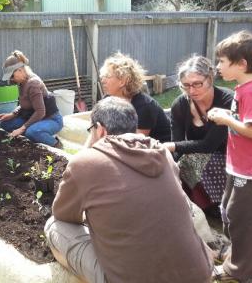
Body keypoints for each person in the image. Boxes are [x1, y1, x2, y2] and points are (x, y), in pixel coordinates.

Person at [45, 96, 213, 283]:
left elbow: (63, 215)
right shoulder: (162, 153)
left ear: (100, 129)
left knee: (53, 226)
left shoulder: (86, 163)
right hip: (199, 273)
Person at [208, 30, 252, 282]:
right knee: (228, 212)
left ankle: (239, 271)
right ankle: (239, 258)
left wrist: (226, 119)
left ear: (242, 64)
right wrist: (228, 115)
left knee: (240, 218)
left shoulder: (250, 91)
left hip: (249, 173)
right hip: (237, 168)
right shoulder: (243, 88)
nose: (218, 66)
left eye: (222, 61)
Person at [162, 55, 233, 214]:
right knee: (177, 163)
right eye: (186, 85)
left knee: (192, 160)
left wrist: (172, 146)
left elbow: (210, 145)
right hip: (199, 157)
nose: (192, 90)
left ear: (210, 78)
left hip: (229, 157)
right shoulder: (180, 105)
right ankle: (197, 205)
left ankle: (216, 205)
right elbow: (178, 145)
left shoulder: (227, 100)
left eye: (197, 84)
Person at [0, 50, 63, 147]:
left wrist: (22, 128)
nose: (11, 80)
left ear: (20, 70)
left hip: (51, 119)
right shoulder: (22, 83)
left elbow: (40, 111)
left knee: (31, 132)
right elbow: (24, 105)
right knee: (5, 124)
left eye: (12, 76)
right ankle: (32, 139)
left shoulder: (33, 83)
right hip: (34, 117)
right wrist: (12, 114)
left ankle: (56, 144)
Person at [99, 52, 171, 142]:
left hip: (158, 151)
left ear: (123, 81)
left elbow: (135, 144)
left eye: (107, 76)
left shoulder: (145, 106)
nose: (102, 80)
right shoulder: (106, 100)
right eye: (102, 76)